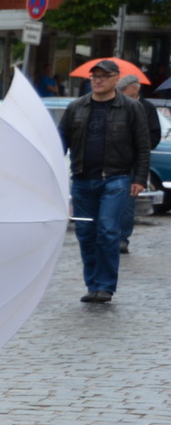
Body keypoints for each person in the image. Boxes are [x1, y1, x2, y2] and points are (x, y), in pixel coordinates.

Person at [57, 59, 152, 301]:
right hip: (82, 180)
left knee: (108, 230)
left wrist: (140, 178)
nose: (98, 80)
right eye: (94, 76)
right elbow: (59, 142)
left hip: (116, 179)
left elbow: (142, 146)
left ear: (116, 79)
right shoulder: (76, 107)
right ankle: (93, 285)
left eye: (103, 76)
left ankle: (105, 286)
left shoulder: (131, 108)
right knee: (86, 232)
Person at [113, 73, 161, 255]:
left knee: (127, 203)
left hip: (133, 162)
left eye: (135, 94)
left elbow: (154, 135)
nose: (133, 98)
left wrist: (141, 146)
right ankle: (107, 236)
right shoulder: (114, 105)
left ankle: (122, 239)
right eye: (129, 95)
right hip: (112, 161)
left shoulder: (147, 107)